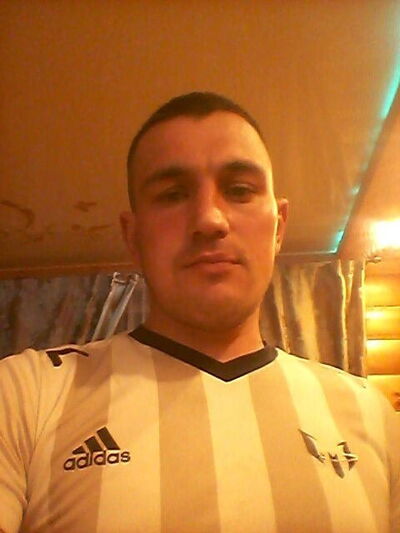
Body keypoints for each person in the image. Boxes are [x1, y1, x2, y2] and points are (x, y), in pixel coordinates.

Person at [0, 92, 398, 533]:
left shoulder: (372, 416)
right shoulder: (24, 394)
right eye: (173, 194)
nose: (210, 219)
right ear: (133, 237)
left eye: (240, 190)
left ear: (278, 227)